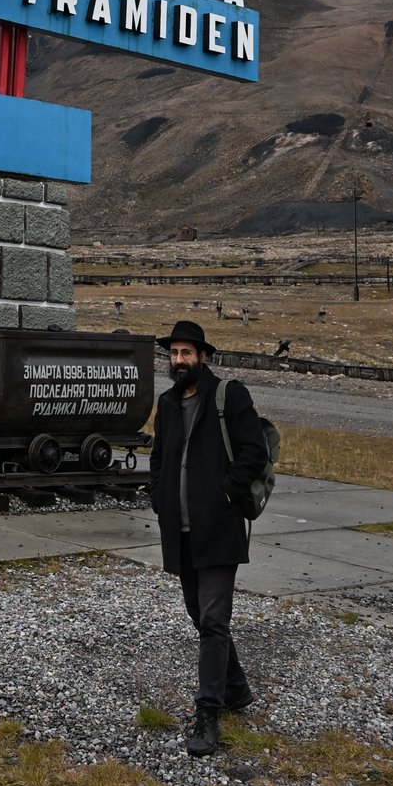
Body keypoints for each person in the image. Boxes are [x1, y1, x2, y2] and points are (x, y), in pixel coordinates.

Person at [147, 317, 268, 757]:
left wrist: (225, 493)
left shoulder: (228, 395)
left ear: (203, 356)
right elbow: (159, 456)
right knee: (200, 616)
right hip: (178, 532)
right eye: (173, 354)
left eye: (186, 353)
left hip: (217, 529)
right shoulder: (167, 402)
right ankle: (236, 688)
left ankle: (208, 714)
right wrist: (159, 495)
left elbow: (255, 450)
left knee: (214, 621)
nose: (179, 361)